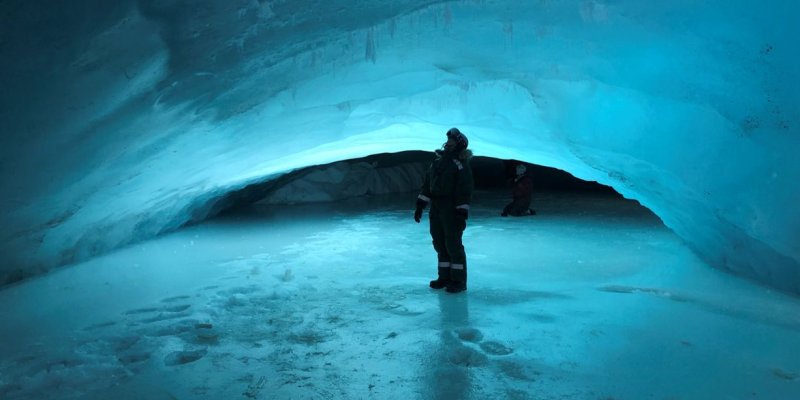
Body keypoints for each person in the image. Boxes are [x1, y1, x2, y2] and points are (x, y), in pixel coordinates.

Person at [414, 127, 474, 293]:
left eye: (451, 141)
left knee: (453, 244)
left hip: (451, 208)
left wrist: (461, 210)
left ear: (459, 144)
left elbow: (464, 188)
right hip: (436, 207)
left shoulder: (460, 165)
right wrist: (420, 204)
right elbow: (427, 185)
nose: (447, 143)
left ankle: (458, 280)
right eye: (448, 140)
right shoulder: (437, 162)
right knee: (439, 243)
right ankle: (444, 277)